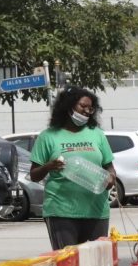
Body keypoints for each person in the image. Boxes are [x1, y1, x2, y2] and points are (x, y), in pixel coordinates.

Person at [29, 87, 117, 249]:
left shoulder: (97, 134)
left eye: (90, 108)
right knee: (68, 265)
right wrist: (49, 166)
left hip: (96, 211)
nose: (86, 111)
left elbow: (109, 167)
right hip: (61, 210)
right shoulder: (48, 136)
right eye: (82, 106)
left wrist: (110, 178)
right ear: (68, 105)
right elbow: (34, 175)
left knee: (95, 264)